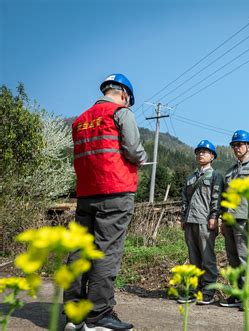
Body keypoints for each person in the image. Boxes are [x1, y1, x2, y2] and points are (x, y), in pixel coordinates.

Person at [64, 73, 147, 331]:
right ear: (124, 94)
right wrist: (141, 158)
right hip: (115, 191)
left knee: (80, 251)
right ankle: (99, 316)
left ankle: (74, 315)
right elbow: (133, 149)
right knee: (106, 251)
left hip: (87, 194)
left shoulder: (80, 120)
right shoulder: (121, 113)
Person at [220, 130, 249, 311]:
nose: (236, 148)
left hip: (245, 218)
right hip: (230, 218)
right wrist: (223, 219)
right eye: (234, 145)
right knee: (233, 259)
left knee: (247, 258)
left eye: (240, 144)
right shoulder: (230, 171)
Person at [180, 139, 224, 305]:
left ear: (212, 156)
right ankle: (194, 289)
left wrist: (214, 217)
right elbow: (184, 198)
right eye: (199, 151)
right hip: (190, 220)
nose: (201, 154)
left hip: (205, 220)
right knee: (193, 257)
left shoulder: (215, 176)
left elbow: (216, 198)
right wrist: (183, 217)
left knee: (207, 256)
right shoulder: (191, 177)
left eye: (205, 152)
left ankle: (208, 290)